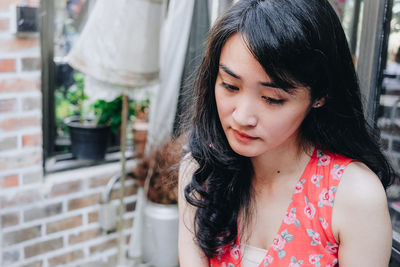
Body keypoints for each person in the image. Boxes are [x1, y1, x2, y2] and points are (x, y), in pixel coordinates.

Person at [178, 0, 394, 266]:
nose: (242, 117)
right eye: (230, 86)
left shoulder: (353, 196)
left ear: (319, 95)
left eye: (271, 98)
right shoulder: (201, 174)